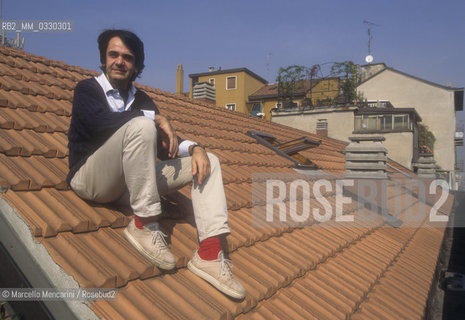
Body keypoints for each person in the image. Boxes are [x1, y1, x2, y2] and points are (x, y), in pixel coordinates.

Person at [67, 29, 245, 300]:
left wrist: (195, 148)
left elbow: (167, 144)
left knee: (209, 160)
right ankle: (144, 225)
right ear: (103, 60)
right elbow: (97, 124)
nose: (119, 61)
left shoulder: (141, 100)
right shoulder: (87, 90)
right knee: (141, 125)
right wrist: (150, 118)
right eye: (113, 55)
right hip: (91, 179)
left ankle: (209, 254)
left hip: (129, 183)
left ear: (136, 65)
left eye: (127, 57)